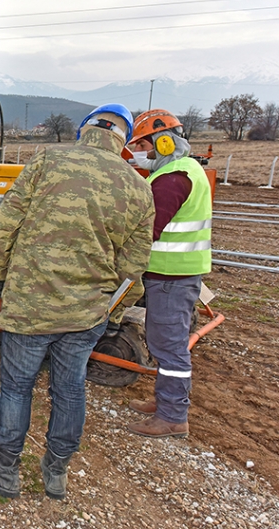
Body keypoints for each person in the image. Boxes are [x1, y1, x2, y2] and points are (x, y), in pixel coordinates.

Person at [0, 104, 155, 500]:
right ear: (124, 140)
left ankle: (4, 469)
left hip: (30, 306)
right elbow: (134, 269)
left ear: (85, 130)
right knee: (70, 389)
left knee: (17, 387)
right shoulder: (139, 188)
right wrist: (112, 312)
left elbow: (3, 230)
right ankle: (56, 471)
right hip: (86, 314)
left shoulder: (47, 159)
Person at [125, 109, 212, 439]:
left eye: (142, 145)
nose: (139, 152)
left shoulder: (172, 178)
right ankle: (165, 402)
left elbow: (148, 230)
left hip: (171, 277)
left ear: (163, 143)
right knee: (166, 342)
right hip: (175, 275)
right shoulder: (184, 169)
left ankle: (172, 416)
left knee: (169, 346)